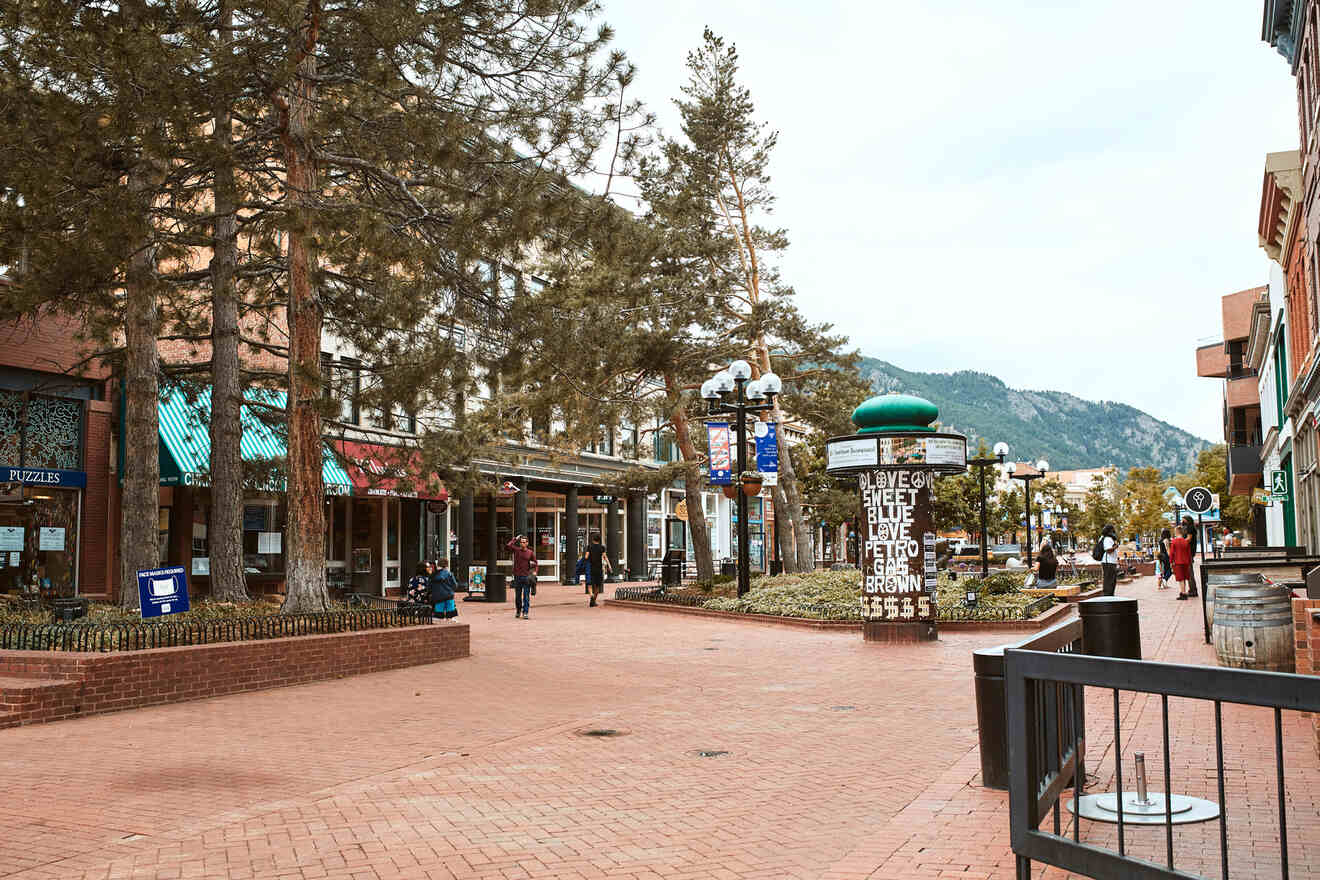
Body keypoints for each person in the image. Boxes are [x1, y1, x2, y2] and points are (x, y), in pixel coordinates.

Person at [507, 534, 538, 619]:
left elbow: (536, 563)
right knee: (517, 597)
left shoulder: (530, 552)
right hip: (517, 577)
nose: (523, 544)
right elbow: (509, 545)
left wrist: (535, 572)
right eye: (521, 542)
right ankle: (518, 610)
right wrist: (515, 539)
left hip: (526, 577)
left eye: (524, 542)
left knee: (526, 596)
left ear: (527, 543)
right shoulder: (516, 550)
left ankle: (525, 612)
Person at [584, 532, 611, 607]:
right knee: (598, 586)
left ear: (593, 539)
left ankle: (591, 596)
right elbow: (605, 557)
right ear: (599, 540)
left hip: (591, 568)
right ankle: (593, 601)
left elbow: (586, 557)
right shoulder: (602, 547)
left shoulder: (589, 547)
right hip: (598, 568)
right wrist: (609, 566)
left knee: (590, 584)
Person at [1170, 524, 1193, 599]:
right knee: (1185, 577)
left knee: (1181, 579)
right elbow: (1189, 553)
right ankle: (1184, 592)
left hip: (1178, 562)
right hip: (1186, 562)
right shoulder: (1186, 541)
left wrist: (1171, 561)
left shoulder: (1174, 541)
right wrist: (1189, 561)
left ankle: (1183, 593)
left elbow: (1172, 553)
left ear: (1176, 532)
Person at [1181, 515, 1199, 598]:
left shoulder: (1190, 528)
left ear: (1187, 521)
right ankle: (1191, 589)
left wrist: (1179, 542)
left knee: (1189, 572)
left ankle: (1193, 590)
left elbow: (1188, 539)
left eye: (1183, 520)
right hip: (1189, 552)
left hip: (1189, 552)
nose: (1182, 522)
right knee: (1188, 571)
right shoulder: (1190, 527)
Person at [1099, 524, 1119, 596]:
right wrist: (1115, 547)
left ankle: (1110, 595)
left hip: (1111, 562)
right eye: (1113, 530)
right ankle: (1107, 596)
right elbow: (1108, 550)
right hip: (1108, 562)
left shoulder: (1109, 538)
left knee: (1112, 581)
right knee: (1108, 581)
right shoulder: (1107, 539)